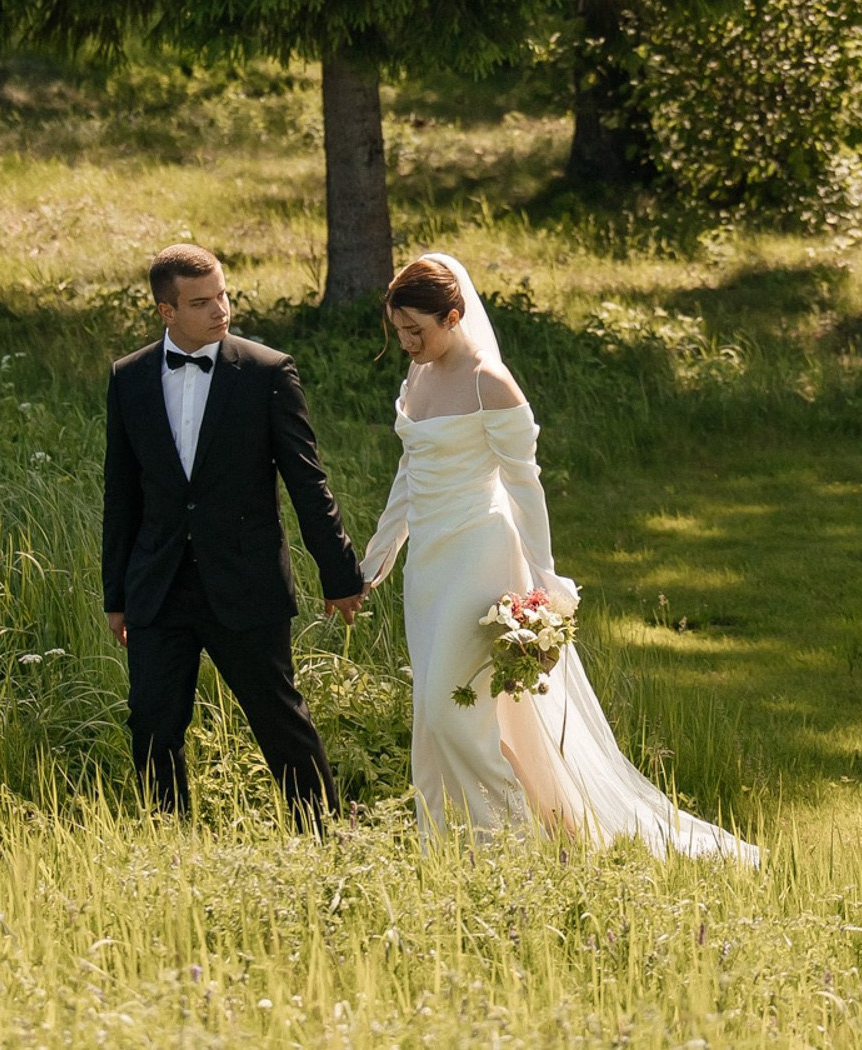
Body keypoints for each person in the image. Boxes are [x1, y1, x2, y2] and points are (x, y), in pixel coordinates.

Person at [361, 252, 757, 862]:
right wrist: (377, 558)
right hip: (429, 569)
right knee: (438, 714)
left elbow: (524, 482)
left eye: (419, 330)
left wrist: (545, 581)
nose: (408, 343)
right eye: (400, 331)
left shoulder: (488, 381)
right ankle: (451, 846)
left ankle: (507, 848)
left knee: (450, 708)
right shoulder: (418, 375)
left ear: (455, 315)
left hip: (480, 557)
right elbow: (411, 471)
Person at [102, 243, 366, 820]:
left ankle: (327, 836)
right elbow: (121, 495)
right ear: (166, 311)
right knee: (151, 723)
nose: (221, 309)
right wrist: (116, 597)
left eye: (223, 294)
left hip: (244, 580)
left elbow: (307, 481)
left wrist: (340, 573)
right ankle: (167, 846)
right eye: (201, 302)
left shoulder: (268, 373)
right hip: (160, 583)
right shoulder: (129, 378)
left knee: (279, 721)